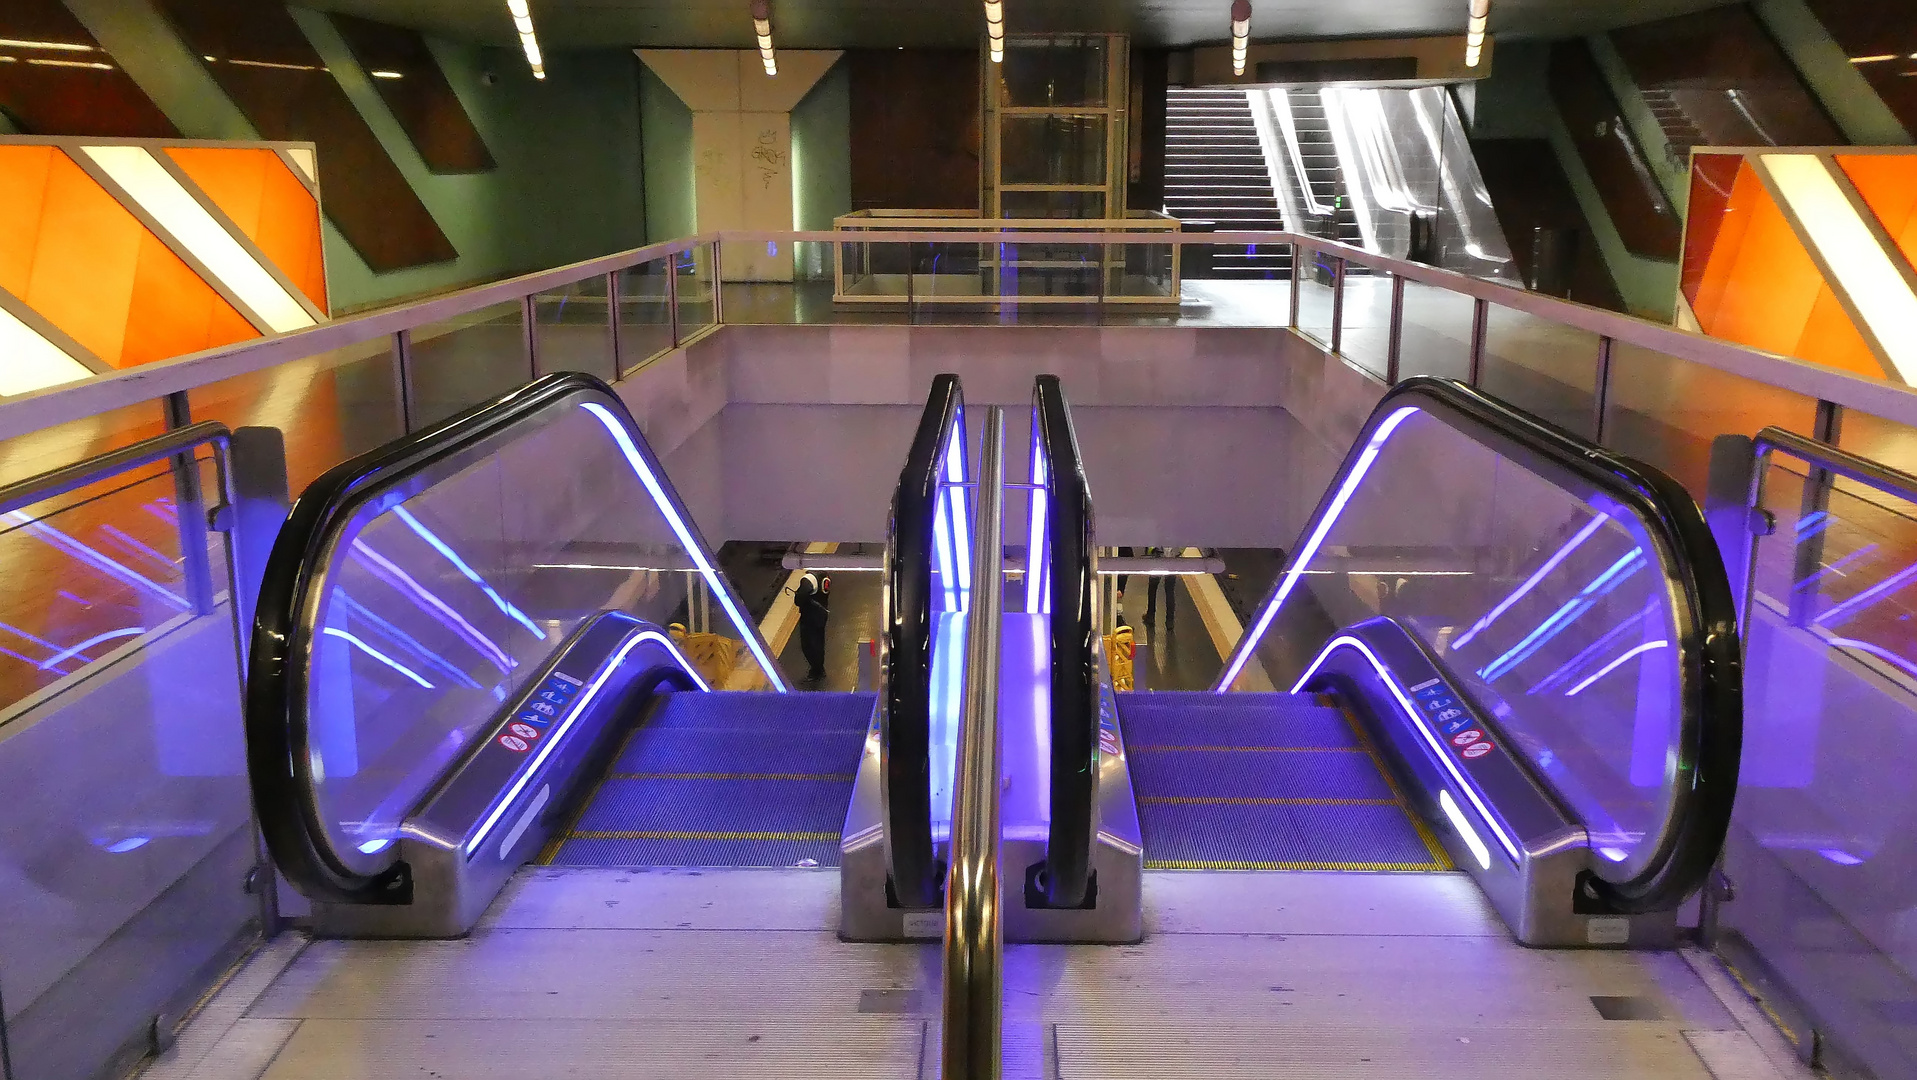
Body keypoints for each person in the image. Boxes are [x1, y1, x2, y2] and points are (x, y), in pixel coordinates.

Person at [794, 570, 831, 684]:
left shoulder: (809, 579)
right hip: (821, 614)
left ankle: (816, 671)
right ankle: (819, 668)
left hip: (810, 617)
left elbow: (799, 600)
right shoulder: (825, 576)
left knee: (808, 645)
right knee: (819, 642)